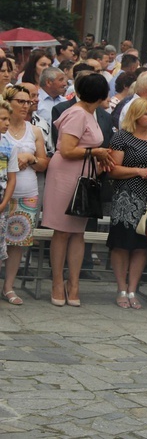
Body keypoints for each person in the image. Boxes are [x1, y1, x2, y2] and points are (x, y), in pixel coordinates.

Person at [43, 73, 114, 307]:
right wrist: (97, 152)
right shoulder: (77, 113)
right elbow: (67, 150)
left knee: (77, 232)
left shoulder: (89, 113)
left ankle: (73, 283)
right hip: (66, 174)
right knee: (62, 231)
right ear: (101, 94)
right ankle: (56, 281)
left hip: (84, 174)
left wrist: (99, 158)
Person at [107, 98, 147, 310]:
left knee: (142, 246)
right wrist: (139, 171)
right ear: (136, 115)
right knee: (122, 244)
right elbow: (113, 169)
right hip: (126, 197)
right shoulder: (122, 137)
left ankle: (133, 288)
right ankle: (121, 288)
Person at [1, 87, 48, 306]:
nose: (25, 106)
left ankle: (9, 286)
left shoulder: (35, 131)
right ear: (8, 103)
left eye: (28, 102)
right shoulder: (3, 129)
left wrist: (31, 157)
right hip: (3, 192)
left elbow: (45, 162)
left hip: (27, 192)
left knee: (17, 242)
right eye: (20, 101)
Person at [0, 99, 19, 304]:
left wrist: (5, 202)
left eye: (7, 118)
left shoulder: (9, 146)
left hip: (1, 202)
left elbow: (12, 177)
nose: (7, 122)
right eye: (3, 119)